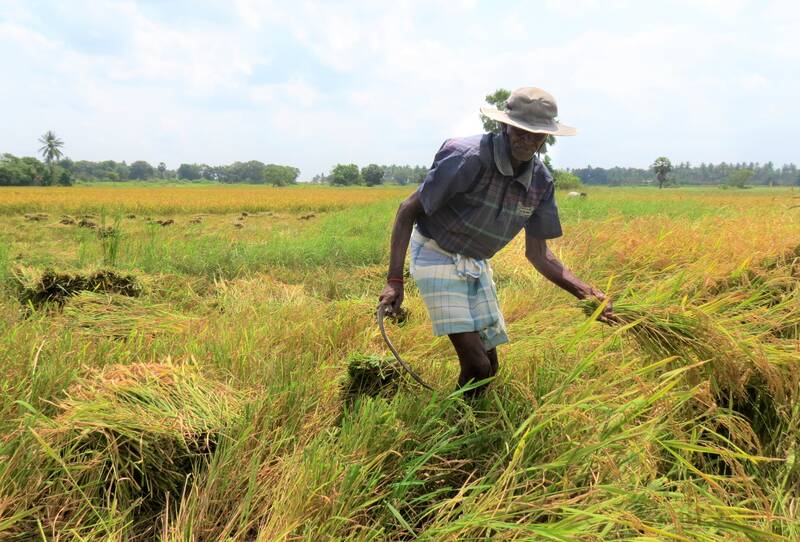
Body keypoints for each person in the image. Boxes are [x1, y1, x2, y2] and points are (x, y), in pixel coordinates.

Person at [378, 87, 613, 396]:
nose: (527, 140)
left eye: (537, 135)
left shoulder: (541, 182)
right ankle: (450, 432)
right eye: (521, 131)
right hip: (436, 250)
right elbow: (407, 209)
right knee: (476, 365)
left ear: (547, 136)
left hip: (475, 262)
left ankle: (466, 422)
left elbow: (538, 253)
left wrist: (585, 292)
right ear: (504, 125)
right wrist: (395, 280)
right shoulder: (466, 158)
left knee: (490, 368)